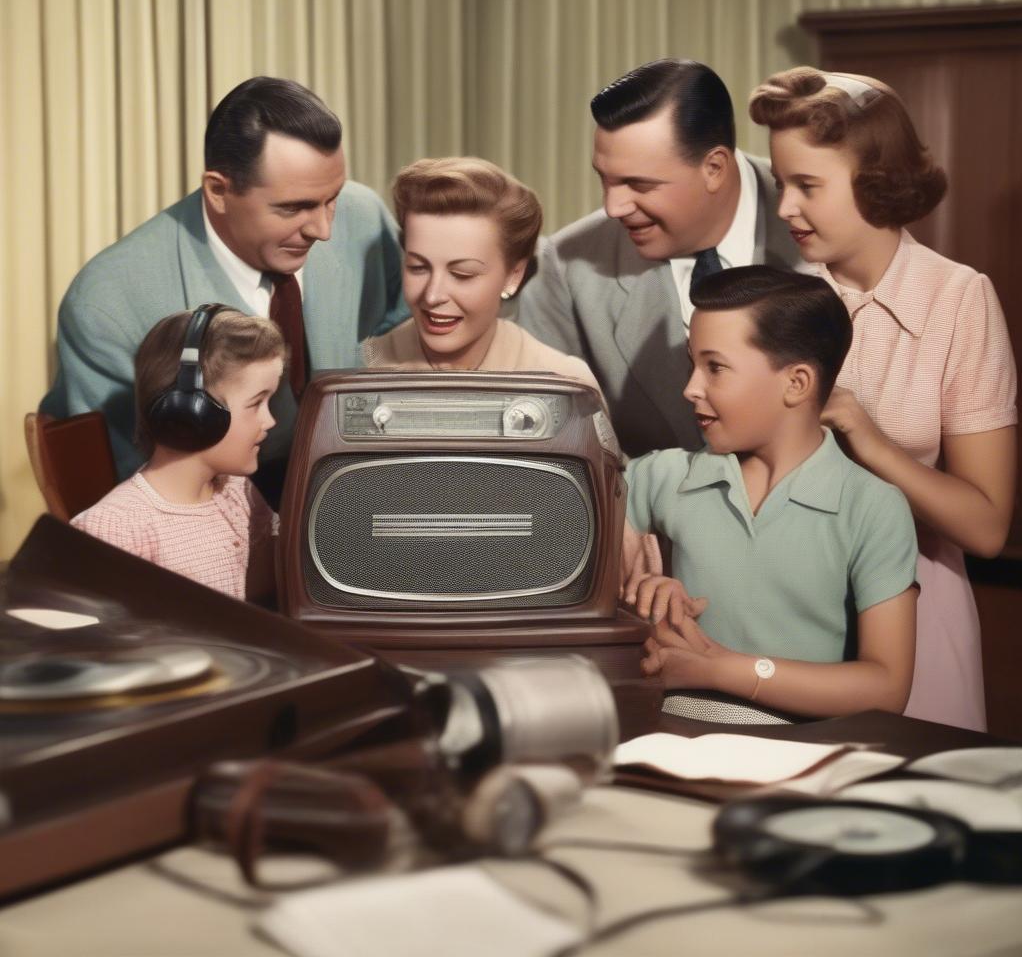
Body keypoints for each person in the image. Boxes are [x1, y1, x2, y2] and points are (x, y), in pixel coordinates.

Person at [749, 67, 1018, 731]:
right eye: (784, 185)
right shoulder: (770, 301)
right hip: (779, 614)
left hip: (920, 617)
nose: (785, 210)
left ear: (877, 182)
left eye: (809, 187)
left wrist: (869, 442)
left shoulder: (959, 300)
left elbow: (986, 527)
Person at [42, 76, 406, 505]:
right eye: (293, 208)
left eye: (332, 199)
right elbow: (131, 497)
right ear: (218, 191)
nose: (324, 229)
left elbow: (404, 336)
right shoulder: (108, 302)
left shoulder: (363, 218)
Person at [623, 266, 918, 722]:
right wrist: (632, 596)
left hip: (806, 752)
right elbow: (564, 586)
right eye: (692, 363)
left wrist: (721, 670)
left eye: (715, 367)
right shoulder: (658, 476)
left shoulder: (872, 507)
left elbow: (887, 686)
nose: (690, 388)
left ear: (796, 383)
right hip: (668, 737)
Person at [516, 58, 806, 458]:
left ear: (714, 168)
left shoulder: (824, 224)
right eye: (605, 179)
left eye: (639, 184)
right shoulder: (565, 265)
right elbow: (551, 447)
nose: (614, 206)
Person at [72, 306, 284, 603]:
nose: (270, 420)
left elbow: (270, 589)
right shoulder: (114, 529)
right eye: (256, 403)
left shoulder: (237, 492)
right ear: (193, 413)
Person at [363, 156, 600, 391]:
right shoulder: (359, 368)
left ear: (514, 275)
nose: (433, 296)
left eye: (462, 274)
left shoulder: (567, 385)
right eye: (418, 268)